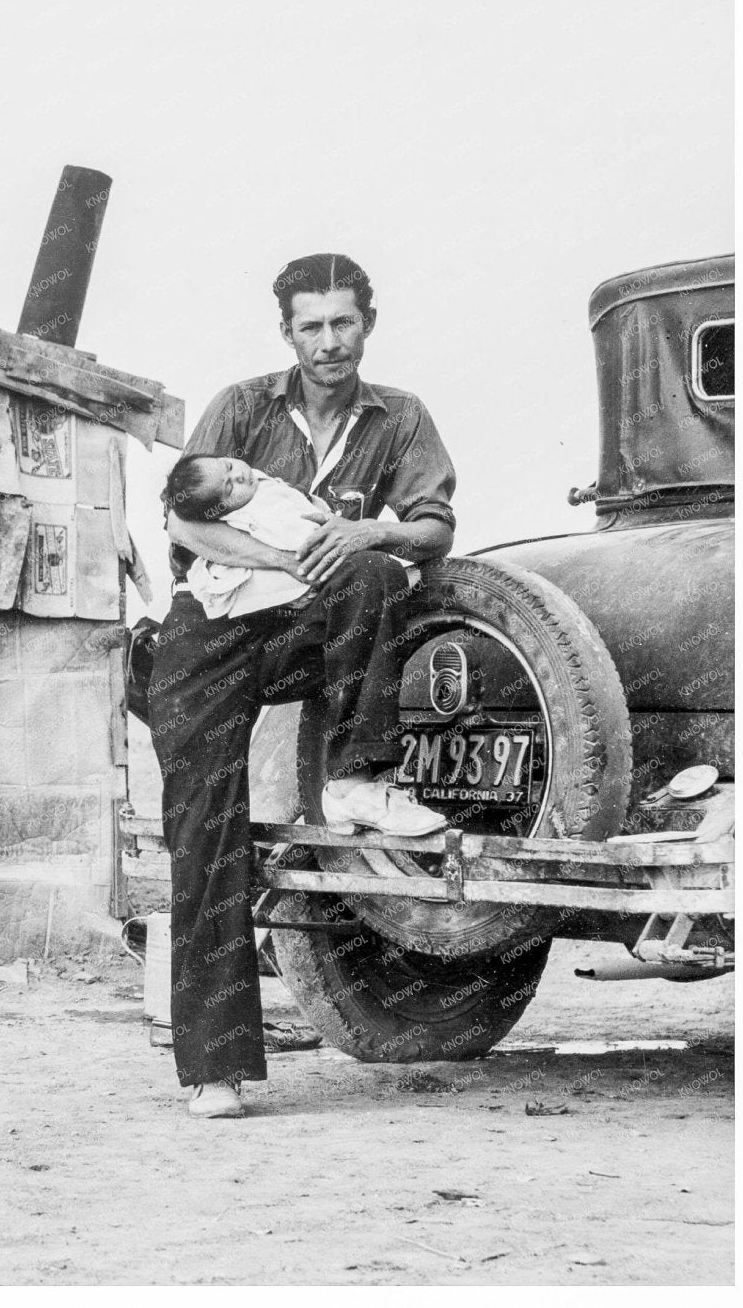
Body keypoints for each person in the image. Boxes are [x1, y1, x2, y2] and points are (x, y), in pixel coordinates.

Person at [150, 253, 457, 1119]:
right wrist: (287, 556)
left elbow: (433, 523)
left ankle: (360, 775)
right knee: (205, 829)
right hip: (207, 632)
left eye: (344, 322)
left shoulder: (402, 418)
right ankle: (216, 1068)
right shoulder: (242, 406)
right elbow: (182, 519)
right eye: (311, 325)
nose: (329, 341)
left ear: (368, 321)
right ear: (286, 331)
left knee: (372, 572)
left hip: (302, 631)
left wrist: (368, 529)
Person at [164, 453, 332, 620]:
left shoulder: (251, 482)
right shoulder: (252, 513)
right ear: (220, 513)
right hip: (298, 583)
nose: (239, 476)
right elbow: (300, 539)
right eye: (230, 489)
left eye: (229, 466)